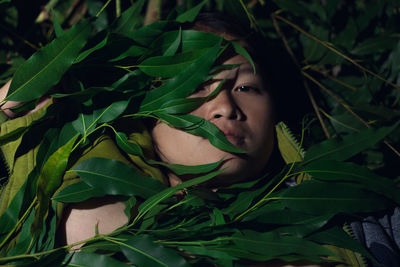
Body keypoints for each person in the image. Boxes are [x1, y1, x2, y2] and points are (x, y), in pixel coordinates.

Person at [0, 12, 398, 267]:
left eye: (247, 88)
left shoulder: (355, 217)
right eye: (194, 86)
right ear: (147, 111)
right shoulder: (57, 206)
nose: (224, 106)